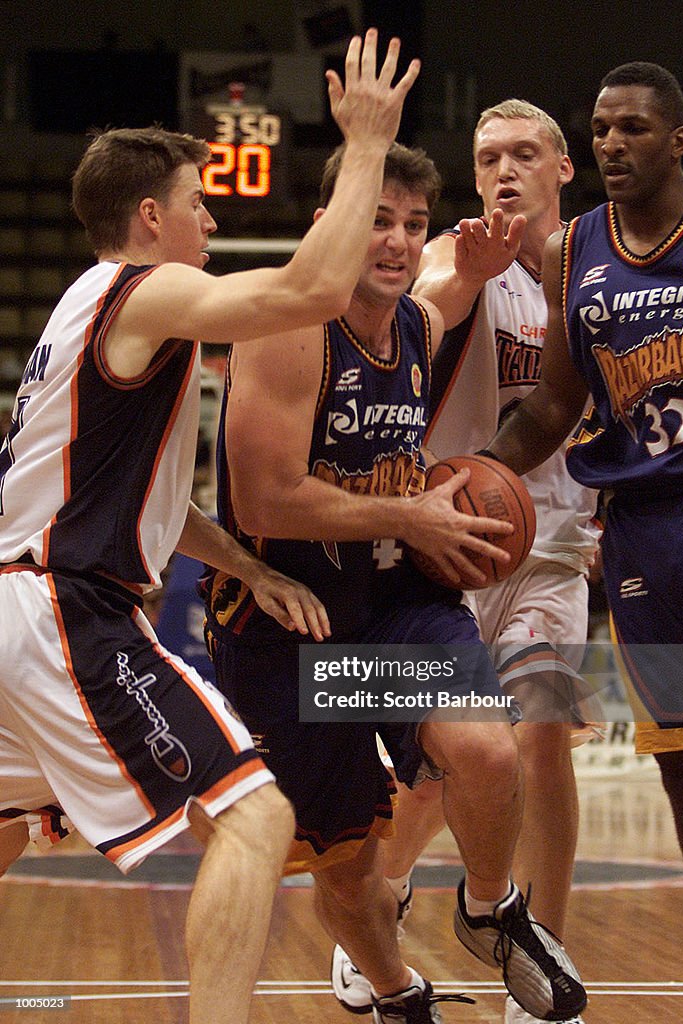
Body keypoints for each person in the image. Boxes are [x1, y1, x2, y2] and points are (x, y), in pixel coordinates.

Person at [0, 31, 420, 1024]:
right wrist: (364, 142)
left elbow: (144, 500)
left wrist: (242, 562)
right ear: (150, 216)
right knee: (254, 812)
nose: (211, 213)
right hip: (64, 608)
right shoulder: (148, 290)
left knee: (6, 828)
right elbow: (312, 292)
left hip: (18, 598)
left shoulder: (80, 307)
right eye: (197, 200)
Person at [202, 141, 588, 1024]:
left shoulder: (414, 322)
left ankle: (487, 906)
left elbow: (447, 287)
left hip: (389, 608)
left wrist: (482, 259)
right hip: (290, 632)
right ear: (328, 225)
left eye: (412, 225)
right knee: (344, 864)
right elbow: (265, 501)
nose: (397, 241)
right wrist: (409, 517)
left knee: (489, 750)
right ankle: (394, 992)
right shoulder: (286, 327)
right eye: (376, 220)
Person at [330, 100, 600, 1024]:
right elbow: (388, 324)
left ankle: (538, 949)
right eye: (488, 156)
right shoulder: (455, 261)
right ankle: (392, 885)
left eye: (525, 153)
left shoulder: (594, 272)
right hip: (441, 547)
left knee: (541, 727)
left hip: (549, 543)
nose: (504, 170)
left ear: (564, 168)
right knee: (447, 770)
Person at [481, 62, 683, 919]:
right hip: (646, 537)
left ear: (678, 139)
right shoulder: (569, 251)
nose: (612, 144)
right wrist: (477, 476)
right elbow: (552, 403)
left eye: (634, 129)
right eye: (601, 130)